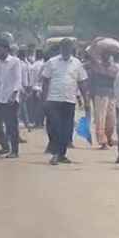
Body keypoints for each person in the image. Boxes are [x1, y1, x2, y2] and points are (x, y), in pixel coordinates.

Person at [41, 38, 89, 166]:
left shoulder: (77, 63)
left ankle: (61, 154)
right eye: (64, 48)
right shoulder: (52, 62)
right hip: (53, 100)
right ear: (60, 49)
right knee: (55, 127)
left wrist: (86, 100)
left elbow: (82, 82)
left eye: (68, 48)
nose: (66, 50)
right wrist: (44, 99)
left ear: (71, 49)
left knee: (67, 129)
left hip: (69, 100)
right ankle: (56, 153)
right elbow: (45, 81)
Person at [0, 38, 23, 159]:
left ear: (6, 50)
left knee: (11, 126)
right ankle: (5, 147)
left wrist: (14, 95)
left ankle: (15, 150)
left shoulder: (15, 61)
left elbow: (18, 79)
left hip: (11, 99)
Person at [87, 48, 117, 149]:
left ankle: (109, 137)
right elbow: (91, 81)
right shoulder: (96, 67)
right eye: (105, 55)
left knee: (111, 119)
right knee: (100, 119)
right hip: (100, 95)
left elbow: (115, 78)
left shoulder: (114, 67)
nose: (107, 57)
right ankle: (103, 141)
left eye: (108, 55)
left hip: (111, 95)